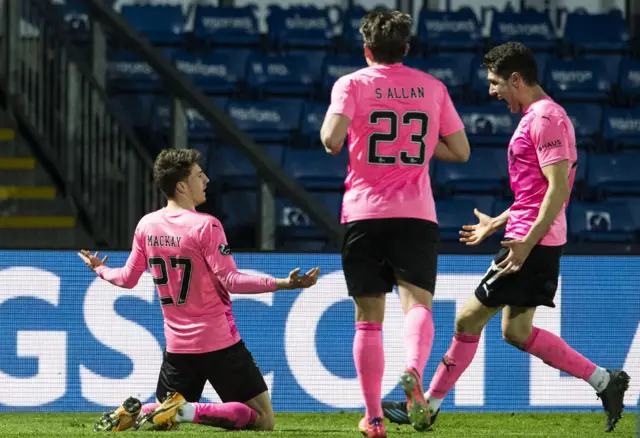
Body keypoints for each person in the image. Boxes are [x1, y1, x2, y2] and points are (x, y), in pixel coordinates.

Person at [381, 42, 630, 433]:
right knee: (515, 331)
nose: (492, 92)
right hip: (528, 236)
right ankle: (604, 380)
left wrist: (526, 242)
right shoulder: (540, 116)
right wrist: (497, 222)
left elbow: (558, 188)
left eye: (496, 83)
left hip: (530, 243)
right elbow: (537, 192)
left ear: (517, 79)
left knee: (467, 318)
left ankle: (428, 406)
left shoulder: (546, 118)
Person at [79, 148, 320, 432]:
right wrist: (283, 283)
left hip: (177, 348)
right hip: (219, 343)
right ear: (181, 185)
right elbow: (231, 280)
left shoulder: (147, 225)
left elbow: (127, 279)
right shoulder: (206, 226)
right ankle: (189, 410)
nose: (205, 179)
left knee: (162, 423)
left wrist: (99, 269)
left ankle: (136, 412)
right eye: (198, 175)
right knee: (263, 419)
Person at [320, 10, 470, 438]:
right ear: (406, 48)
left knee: (368, 319)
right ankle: (413, 371)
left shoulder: (351, 84)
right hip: (416, 213)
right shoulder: (433, 87)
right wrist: (418, 147)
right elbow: (460, 151)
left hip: (364, 213)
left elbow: (331, 141)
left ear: (367, 49)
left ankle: (373, 418)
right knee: (418, 305)